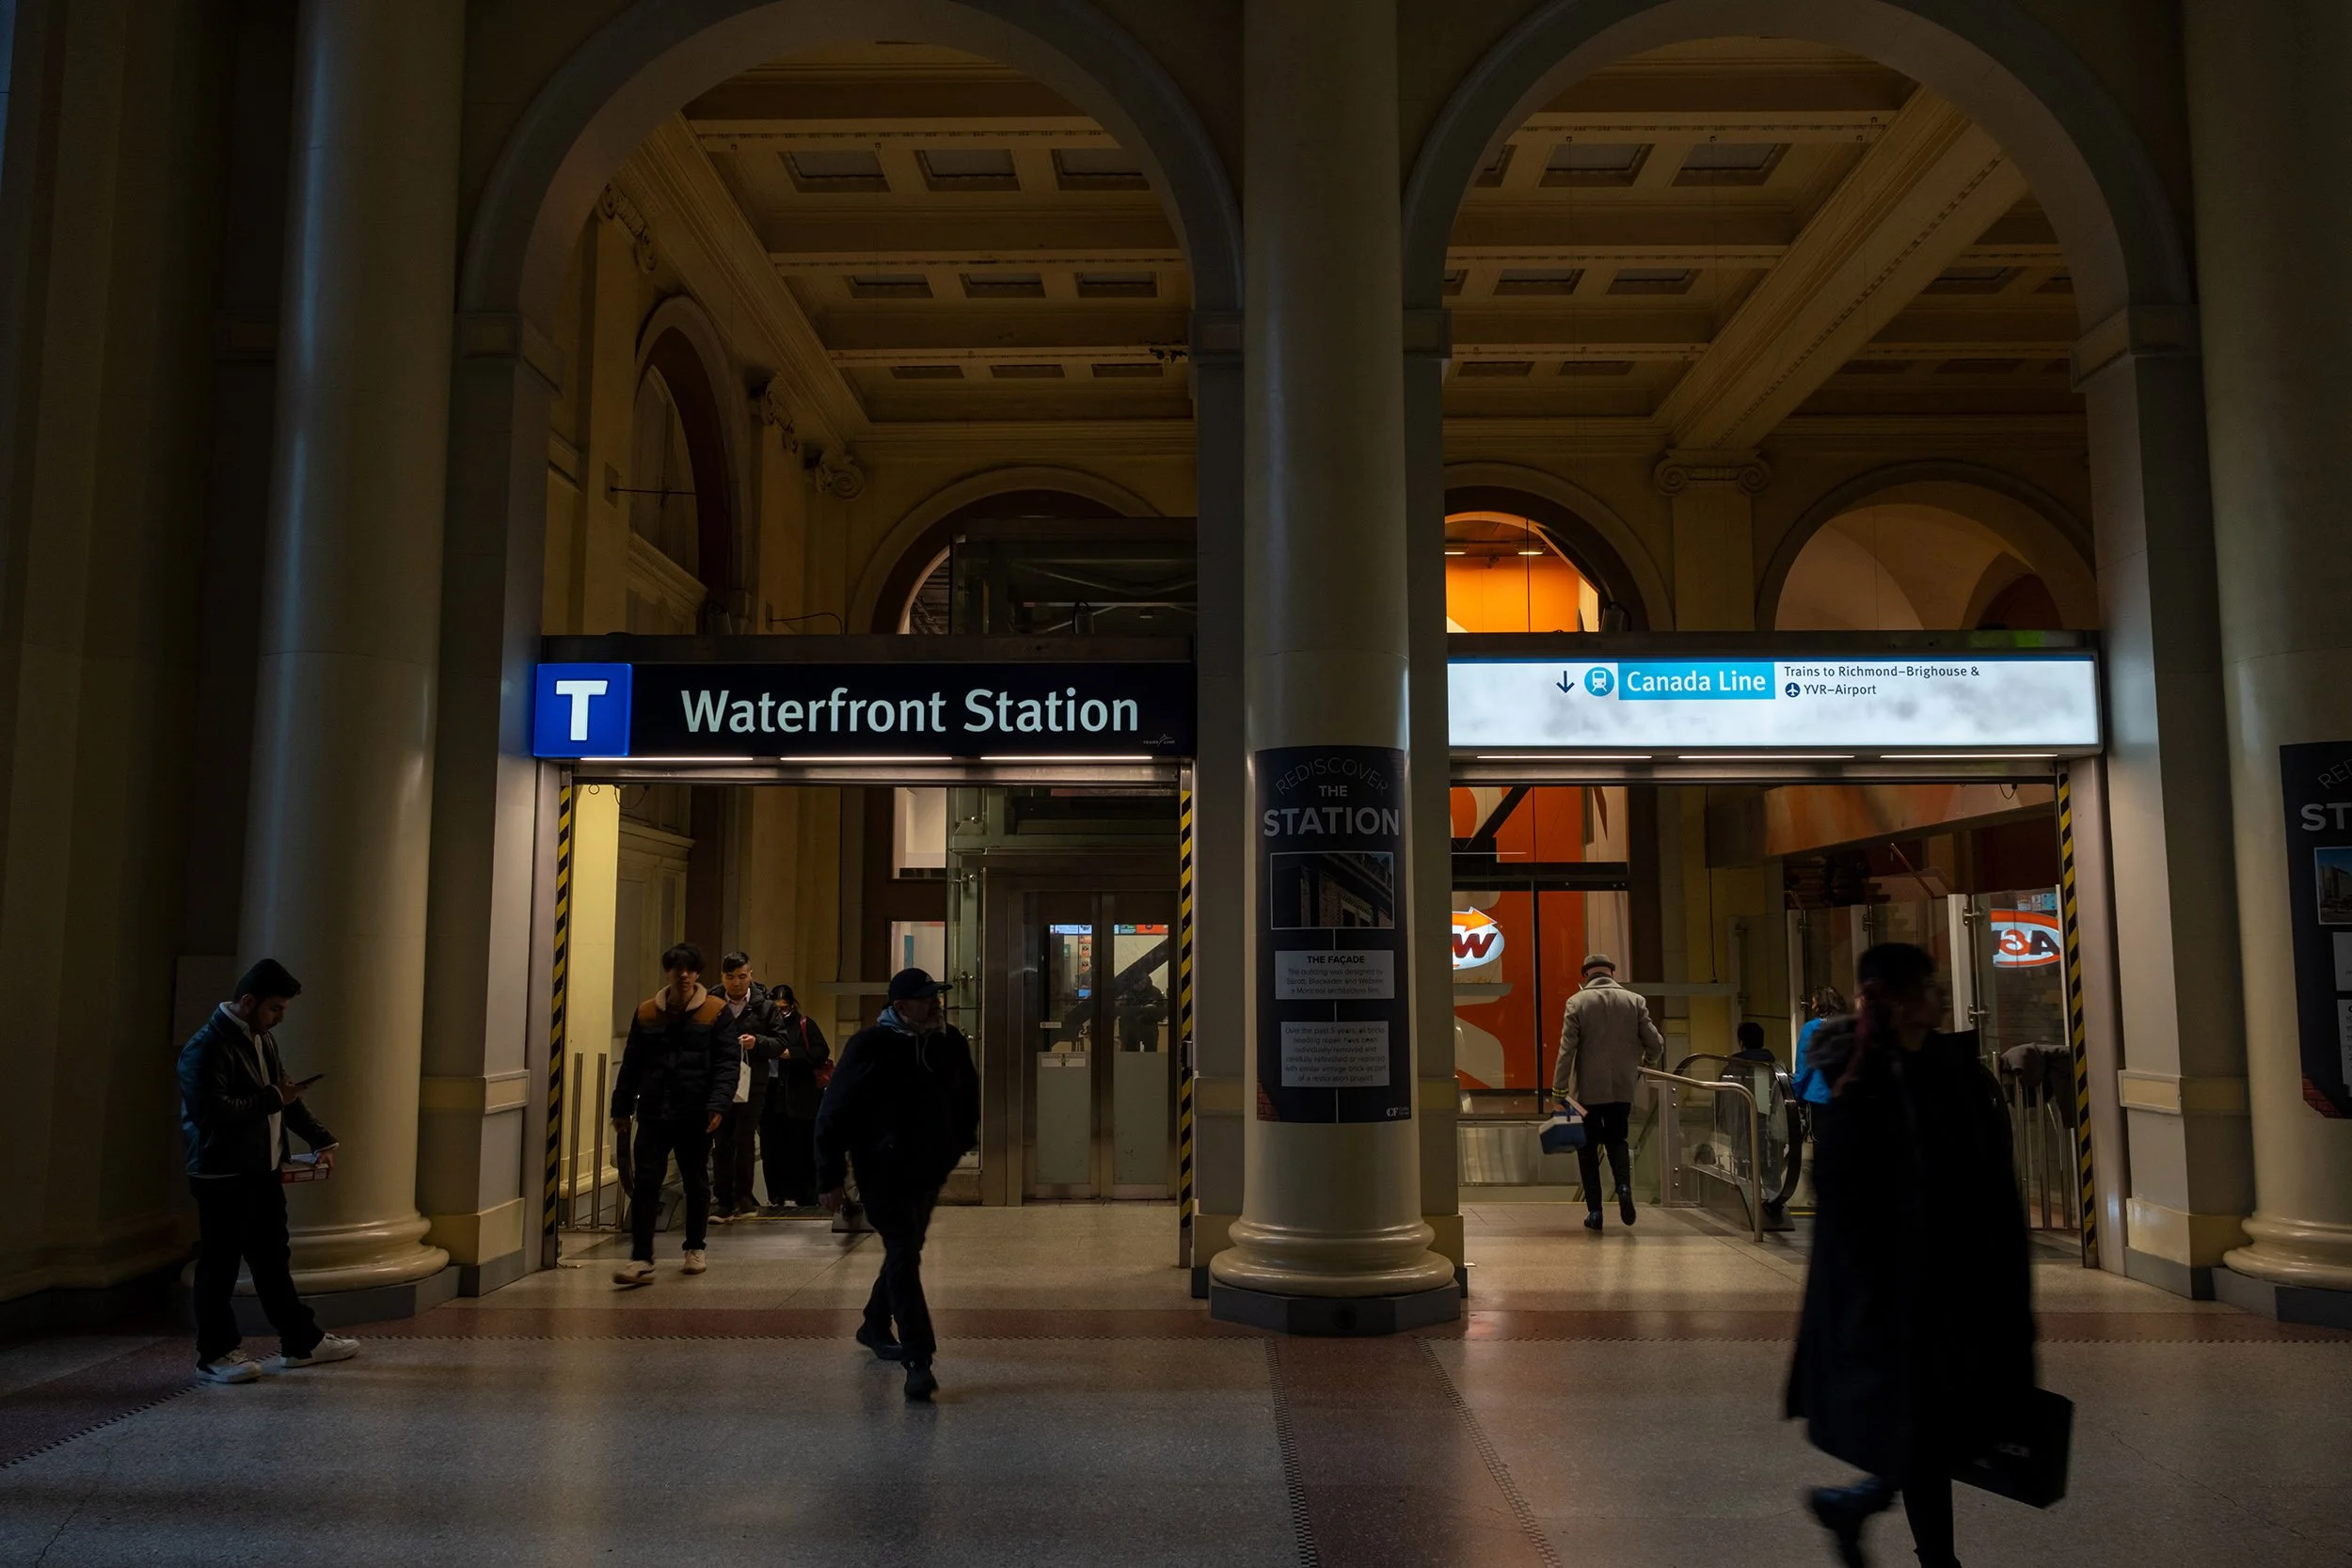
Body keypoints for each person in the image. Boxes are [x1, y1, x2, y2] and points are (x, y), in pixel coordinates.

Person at [1787, 943, 2032, 1568]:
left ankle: (1863, 1504)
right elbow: (1847, 1205)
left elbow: (1991, 1183)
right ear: (1899, 999)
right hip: (1899, 1295)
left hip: (1956, 1282)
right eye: (1928, 986)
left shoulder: (1950, 1073)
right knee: (1931, 1425)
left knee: (1937, 1427)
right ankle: (1918, 1544)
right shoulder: (1859, 1081)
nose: (1940, 996)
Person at [177, 958, 359, 1384]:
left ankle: (302, 1343)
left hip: (261, 1171)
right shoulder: (206, 1047)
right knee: (219, 1265)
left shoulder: (261, 1040)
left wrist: (321, 1139)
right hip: (221, 1175)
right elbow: (212, 1115)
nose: (279, 1018)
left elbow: (284, 1095)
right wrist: (274, 1097)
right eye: (275, 1009)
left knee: (273, 1260)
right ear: (248, 1001)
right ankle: (215, 1355)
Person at [815, 967, 979, 1403]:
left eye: (935, 996)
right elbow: (834, 1111)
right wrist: (829, 1176)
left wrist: (958, 1145)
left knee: (906, 1250)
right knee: (904, 1254)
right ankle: (918, 1359)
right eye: (926, 998)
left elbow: (968, 1096)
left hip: (929, 1167)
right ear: (900, 1007)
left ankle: (873, 1322)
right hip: (881, 1170)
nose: (935, 1004)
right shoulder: (871, 1045)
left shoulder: (949, 1043)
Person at [611, 942, 738, 1287]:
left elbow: (727, 1064)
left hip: (695, 1112)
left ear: (697, 973)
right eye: (676, 969)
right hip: (653, 1110)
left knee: (695, 1180)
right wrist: (621, 1107)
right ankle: (641, 1257)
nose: (683, 975)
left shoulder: (715, 1012)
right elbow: (632, 1062)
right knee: (645, 1183)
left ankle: (695, 1248)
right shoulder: (648, 1013)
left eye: (689, 969)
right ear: (668, 972)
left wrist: (718, 1104)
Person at [1553, 952, 1664, 1232]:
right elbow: (1656, 1043)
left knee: (1587, 1150)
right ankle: (1624, 1187)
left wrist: (1559, 1089)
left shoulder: (1577, 1002)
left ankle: (1595, 1213)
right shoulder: (1634, 1001)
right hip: (1622, 1091)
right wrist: (1646, 1063)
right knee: (1618, 1140)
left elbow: (1567, 1050)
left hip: (1587, 1093)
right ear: (1612, 973)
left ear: (1586, 976)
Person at [709, 952, 783, 1221]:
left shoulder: (765, 1007)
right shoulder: (712, 1002)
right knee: (722, 1141)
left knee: (744, 1137)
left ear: (750, 975)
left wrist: (757, 1042)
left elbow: (781, 1042)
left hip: (754, 1081)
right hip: (720, 1081)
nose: (737, 983)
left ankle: (744, 1198)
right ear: (722, 978)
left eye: (742, 976)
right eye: (731, 977)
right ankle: (723, 1201)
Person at [759, 983, 831, 1212]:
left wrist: (792, 1054)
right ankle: (777, 1196)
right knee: (771, 1151)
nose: (781, 1013)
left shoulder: (804, 1025)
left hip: (800, 1100)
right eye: (777, 1008)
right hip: (771, 1100)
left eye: (785, 1008)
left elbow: (821, 1052)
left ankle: (804, 1196)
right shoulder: (763, 1026)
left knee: (800, 1150)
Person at [1791, 987, 1849, 1109]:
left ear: (1821, 1004)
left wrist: (1794, 1093)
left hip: (1817, 1094)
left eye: (1813, 1003)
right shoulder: (1847, 1026)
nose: (1812, 1007)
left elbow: (1803, 1065)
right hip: (1844, 1094)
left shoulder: (1811, 1027)